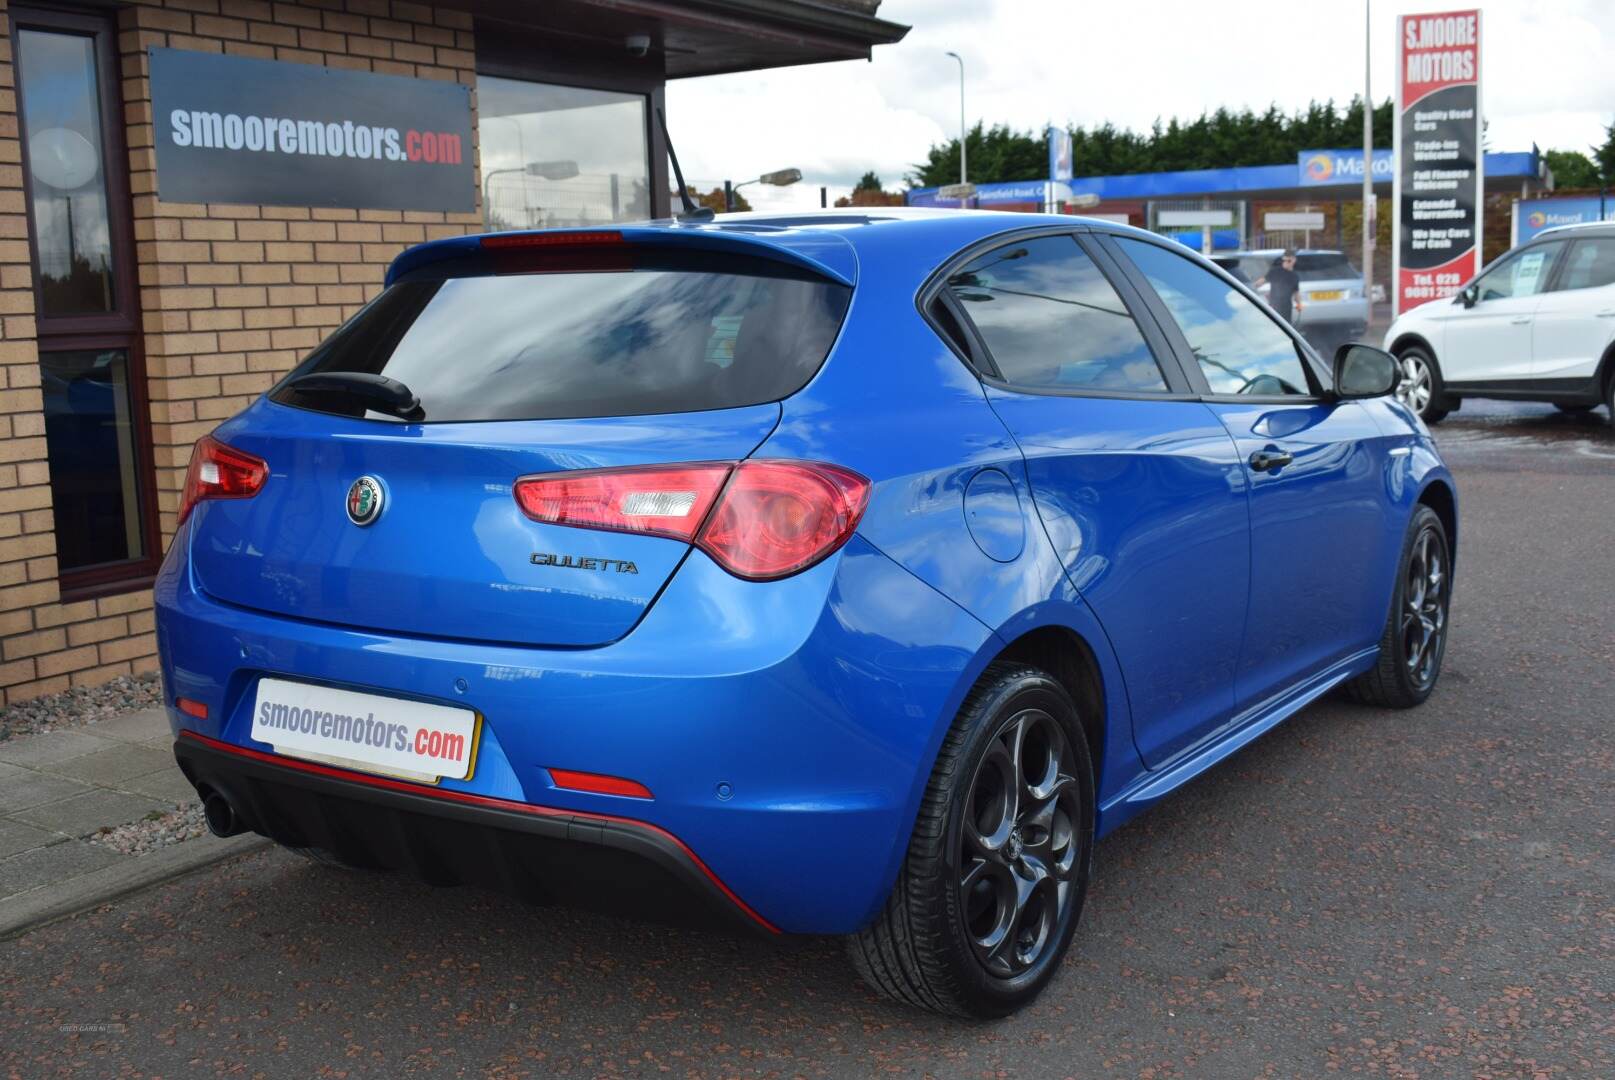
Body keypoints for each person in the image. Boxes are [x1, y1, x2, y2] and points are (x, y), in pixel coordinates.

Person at [1255, 249, 1303, 325]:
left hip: (1287, 308)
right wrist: (1251, 287)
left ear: (1294, 260)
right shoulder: (1275, 271)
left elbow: (1296, 292)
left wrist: (1299, 304)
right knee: (1273, 326)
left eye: (1289, 260)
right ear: (1283, 259)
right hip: (1274, 307)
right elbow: (1261, 281)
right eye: (1285, 260)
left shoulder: (1295, 276)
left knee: (1286, 326)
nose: (1287, 263)